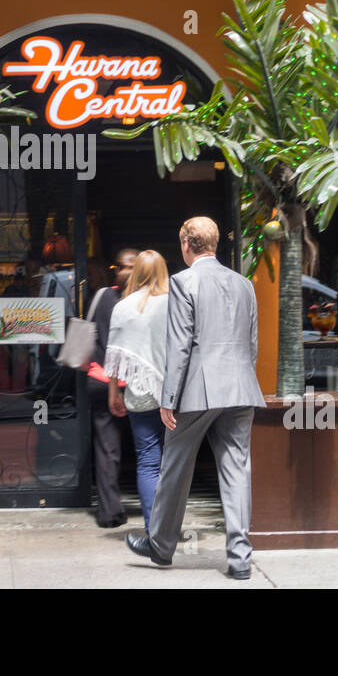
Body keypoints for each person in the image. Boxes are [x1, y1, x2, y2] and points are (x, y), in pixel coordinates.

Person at [125, 216, 264, 580]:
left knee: (175, 465)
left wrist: (167, 398)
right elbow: (252, 344)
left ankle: (161, 546)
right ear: (214, 244)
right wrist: (242, 379)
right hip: (240, 386)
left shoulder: (183, 282)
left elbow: (180, 346)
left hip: (199, 389)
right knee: (237, 469)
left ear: (187, 244)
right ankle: (240, 558)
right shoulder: (244, 284)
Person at [103, 250, 170, 532]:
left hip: (139, 392)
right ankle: (170, 527)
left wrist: (113, 393)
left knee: (148, 462)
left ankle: (154, 531)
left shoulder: (124, 306)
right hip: (174, 395)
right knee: (175, 462)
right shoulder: (175, 303)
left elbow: (115, 356)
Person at [84, 247, 138, 529]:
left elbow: (89, 334)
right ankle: (156, 509)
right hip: (137, 384)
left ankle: (108, 512)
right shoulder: (148, 299)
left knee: (107, 449)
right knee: (149, 449)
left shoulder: (102, 296)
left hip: (101, 378)